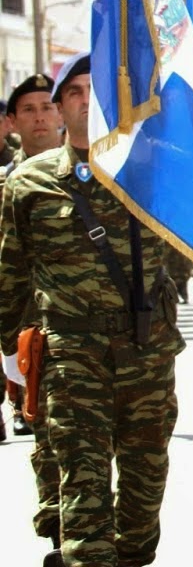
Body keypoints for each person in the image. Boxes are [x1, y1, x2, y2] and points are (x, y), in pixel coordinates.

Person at [0, 54, 184, 567]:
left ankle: (129, 558)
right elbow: (11, 273)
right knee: (81, 477)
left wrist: (170, 124)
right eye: (74, 92)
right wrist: (6, 352)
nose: (85, 100)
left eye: (94, 90)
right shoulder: (30, 184)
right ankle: (89, 562)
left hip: (146, 350)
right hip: (71, 356)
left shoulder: (152, 166)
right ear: (59, 109)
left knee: (145, 478)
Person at [1, 73, 64, 543]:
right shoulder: (6, 184)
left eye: (47, 106)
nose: (40, 116)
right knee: (46, 434)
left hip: (89, 330)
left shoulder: (96, 172)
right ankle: (60, 520)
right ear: (13, 122)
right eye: (29, 110)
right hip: (30, 336)